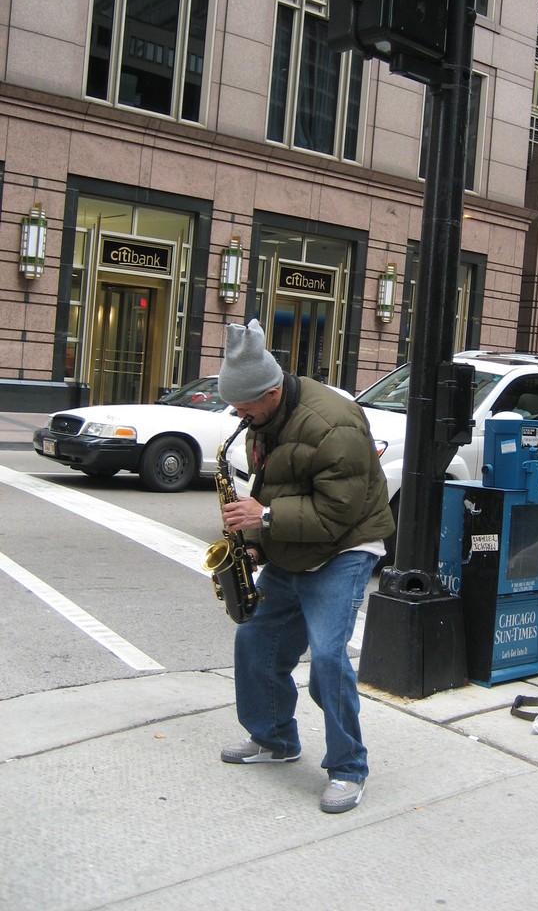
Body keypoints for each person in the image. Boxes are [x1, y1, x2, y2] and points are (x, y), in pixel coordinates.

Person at [216, 319, 395, 813]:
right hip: (294, 542)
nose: (238, 413)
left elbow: (338, 514)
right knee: (255, 640)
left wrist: (266, 518)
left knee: (329, 658)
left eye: (244, 405)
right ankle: (275, 739)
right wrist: (254, 545)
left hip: (345, 548)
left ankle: (348, 768)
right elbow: (271, 491)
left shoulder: (333, 423)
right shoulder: (260, 422)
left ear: (271, 391)